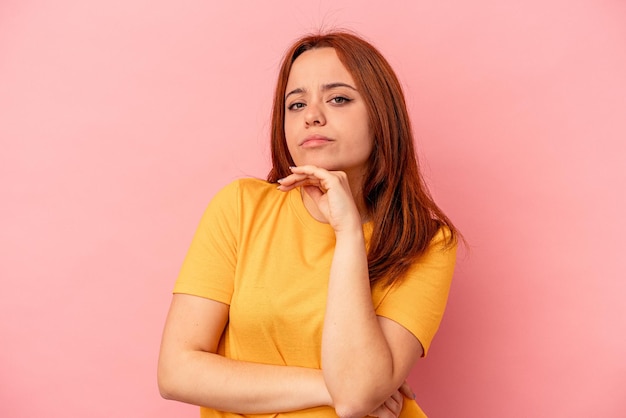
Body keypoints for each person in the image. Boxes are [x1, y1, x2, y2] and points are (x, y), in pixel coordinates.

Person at [158, 30, 459, 418]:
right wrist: (329, 385)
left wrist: (348, 233)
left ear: (382, 116)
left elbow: (354, 401)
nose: (312, 115)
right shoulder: (240, 207)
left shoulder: (428, 242)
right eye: (296, 104)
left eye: (338, 99)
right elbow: (176, 372)